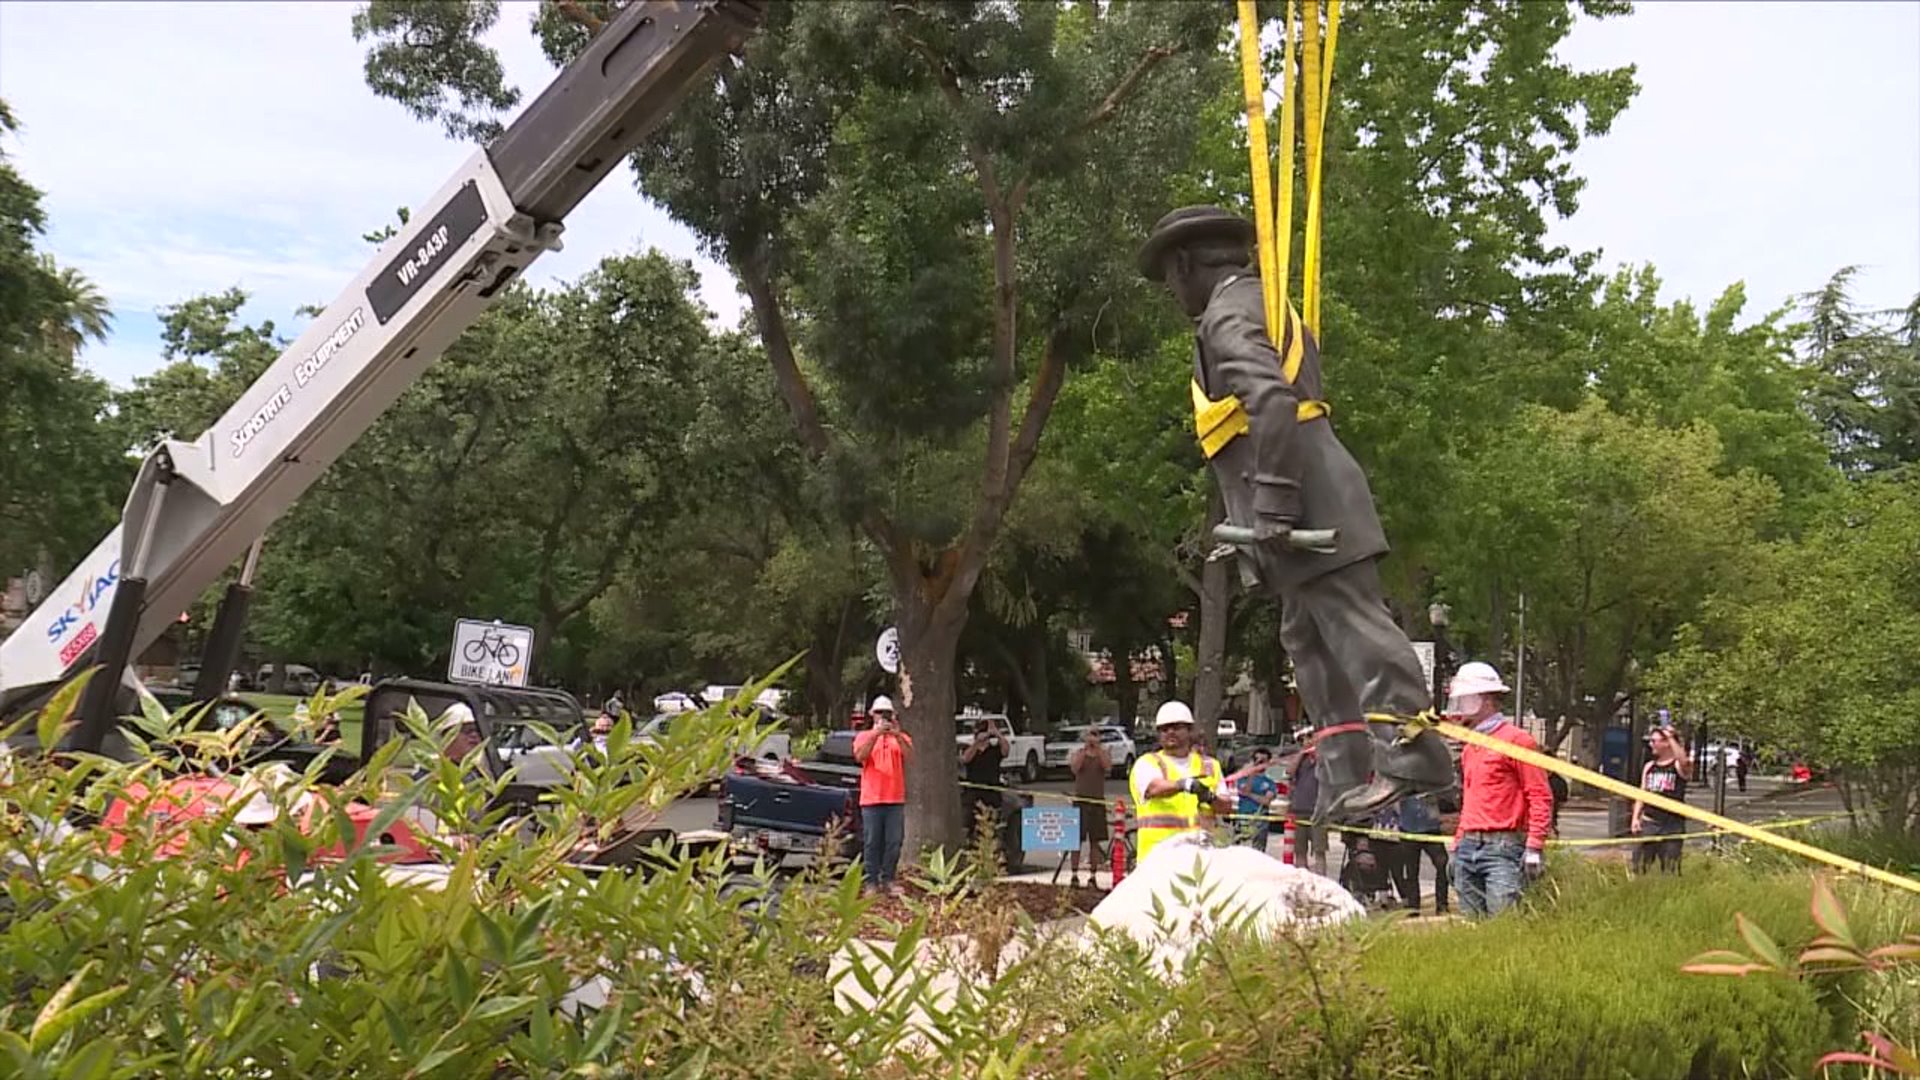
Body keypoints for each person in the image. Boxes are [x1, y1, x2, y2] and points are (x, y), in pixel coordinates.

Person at [1138, 206, 1454, 824]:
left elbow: (1274, 406)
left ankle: (1413, 755)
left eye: (1171, 280)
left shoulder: (1227, 318)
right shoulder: (1268, 306)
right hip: (1311, 503)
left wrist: (1275, 505)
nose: (1173, 294)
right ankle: (1344, 773)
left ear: (1184, 265)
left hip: (1312, 505)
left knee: (1354, 628)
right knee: (1307, 641)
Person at [1445, 662, 1554, 918]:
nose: (1459, 707)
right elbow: (1471, 800)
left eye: (1464, 699)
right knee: (1472, 928)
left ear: (1484, 700)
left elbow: (1539, 795)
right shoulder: (1471, 746)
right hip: (1469, 845)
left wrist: (1535, 846)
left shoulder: (1518, 741)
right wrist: (1458, 843)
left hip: (1503, 848)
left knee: (1503, 927)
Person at [1127, 701, 1233, 865]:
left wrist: (1209, 797)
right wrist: (1184, 785)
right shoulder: (1147, 763)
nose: (1170, 732)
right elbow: (1154, 788)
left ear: (1189, 730)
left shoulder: (1210, 766)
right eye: (1164, 729)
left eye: (1176, 727)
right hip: (1157, 860)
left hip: (1199, 860)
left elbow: (1226, 807)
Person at [852, 695, 912, 895]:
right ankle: (871, 881)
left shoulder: (901, 737)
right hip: (871, 799)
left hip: (895, 798)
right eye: (880, 713)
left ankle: (888, 879)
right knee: (872, 841)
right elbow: (860, 756)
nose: (883, 718)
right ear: (873, 715)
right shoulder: (863, 736)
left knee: (894, 841)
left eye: (887, 714)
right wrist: (876, 734)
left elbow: (910, 756)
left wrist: (896, 734)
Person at [1631, 726, 1693, 875]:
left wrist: (1671, 737)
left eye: (1654, 741)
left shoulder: (1677, 766)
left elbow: (1684, 762)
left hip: (1672, 824)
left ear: (1666, 743)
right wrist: (1635, 818)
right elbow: (1642, 793)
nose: (1651, 744)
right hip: (1650, 822)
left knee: (1670, 868)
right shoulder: (1650, 767)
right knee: (1639, 865)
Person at [1067, 726, 1112, 887]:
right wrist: (1086, 750)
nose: (1092, 738)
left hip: (1097, 801)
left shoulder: (1103, 753)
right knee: (1076, 841)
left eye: (1095, 735)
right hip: (1080, 801)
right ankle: (1074, 874)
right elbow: (1075, 768)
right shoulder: (1079, 753)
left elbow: (1107, 767)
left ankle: (1093, 876)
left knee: (1095, 841)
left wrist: (1098, 749)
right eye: (1089, 735)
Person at [1396, 792, 1449, 915]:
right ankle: (1413, 907)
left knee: (1442, 864)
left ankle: (1442, 905)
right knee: (1411, 870)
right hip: (1408, 828)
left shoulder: (1431, 779)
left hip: (1431, 828)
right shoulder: (1405, 780)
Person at [961, 713, 1010, 840]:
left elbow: (1006, 750)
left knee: (992, 826)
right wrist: (977, 743)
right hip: (973, 794)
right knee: (971, 825)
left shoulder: (994, 751)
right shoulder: (971, 750)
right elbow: (965, 759)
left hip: (992, 793)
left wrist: (997, 733)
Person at [1286, 734, 1330, 875]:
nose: (1308, 741)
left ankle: (1321, 881)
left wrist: (1318, 753)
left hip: (1318, 811)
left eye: (1311, 737)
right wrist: (1302, 752)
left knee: (1319, 850)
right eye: (1305, 739)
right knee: (1300, 850)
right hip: (1299, 809)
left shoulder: (1324, 757)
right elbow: (1289, 772)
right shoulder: (1301, 759)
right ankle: (1302, 879)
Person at [1228, 747, 1281, 850]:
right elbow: (1244, 790)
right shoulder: (1243, 778)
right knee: (1240, 848)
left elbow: (1266, 801)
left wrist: (1250, 795)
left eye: (1262, 761)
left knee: (1258, 849)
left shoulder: (1269, 783)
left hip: (1260, 818)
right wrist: (1252, 772)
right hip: (1244, 816)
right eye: (1257, 760)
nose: (1259, 763)